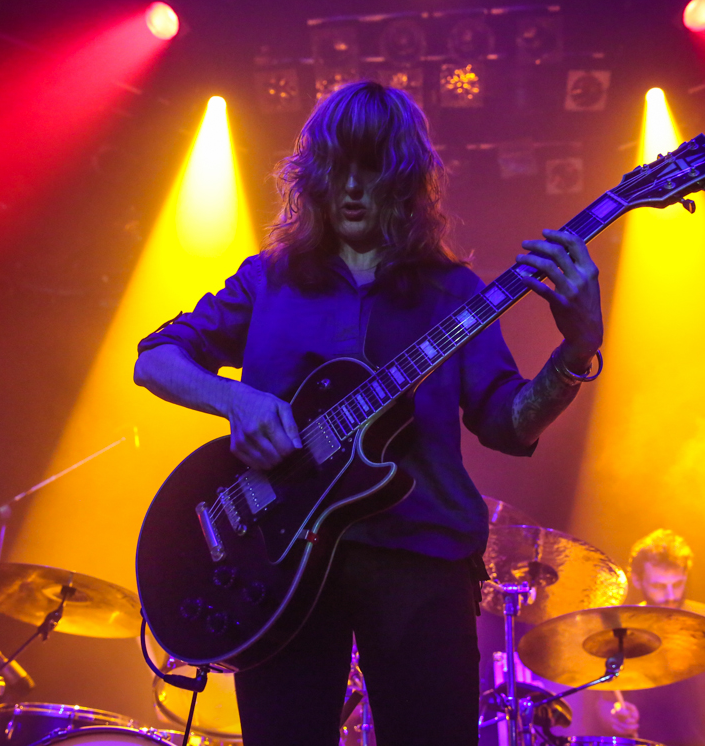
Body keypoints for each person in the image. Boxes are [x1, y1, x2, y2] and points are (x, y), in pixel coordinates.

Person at [132, 80, 604, 746]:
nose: (352, 187)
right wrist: (237, 398)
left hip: (421, 560)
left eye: (372, 167)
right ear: (314, 176)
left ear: (405, 180)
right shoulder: (268, 280)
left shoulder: (454, 294)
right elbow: (155, 359)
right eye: (338, 167)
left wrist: (576, 351)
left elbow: (507, 421)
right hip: (275, 564)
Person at [594, 529, 705, 746]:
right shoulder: (620, 631)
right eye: (659, 586)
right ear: (637, 580)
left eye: (677, 584)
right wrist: (614, 715)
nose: (671, 596)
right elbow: (604, 702)